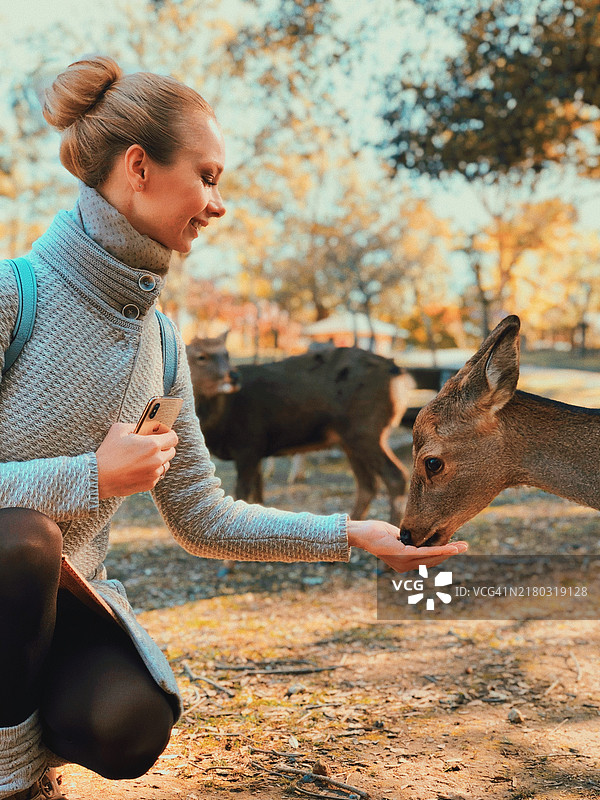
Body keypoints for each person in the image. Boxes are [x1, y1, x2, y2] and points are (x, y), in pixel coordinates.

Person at [0, 56, 468, 800]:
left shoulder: (162, 344)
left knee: (129, 723)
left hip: (51, 619)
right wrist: (90, 478)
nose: (218, 205)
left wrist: (353, 535)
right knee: (21, 539)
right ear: (138, 168)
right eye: (208, 176)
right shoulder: (12, 296)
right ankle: (16, 777)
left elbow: (203, 517)